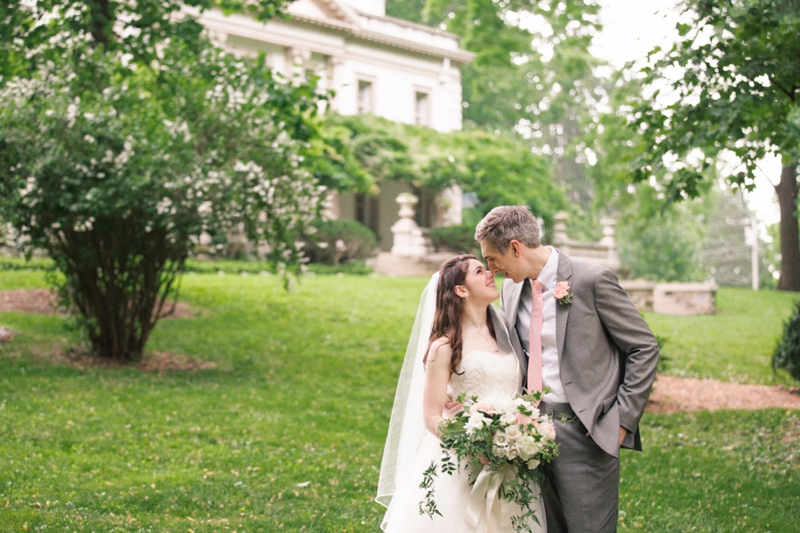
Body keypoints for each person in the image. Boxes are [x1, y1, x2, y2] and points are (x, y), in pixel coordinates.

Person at [475, 206, 659, 533]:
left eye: (492, 259)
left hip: (585, 432)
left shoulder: (592, 280)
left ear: (516, 248)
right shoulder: (510, 289)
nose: (492, 269)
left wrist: (622, 419)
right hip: (525, 435)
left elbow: (643, 347)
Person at [376, 254, 546, 533]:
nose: (490, 273)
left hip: (513, 457)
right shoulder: (443, 346)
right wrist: (476, 445)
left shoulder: (506, 331)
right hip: (466, 460)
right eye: (480, 271)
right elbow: (431, 416)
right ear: (461, 290)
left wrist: (519, 433)